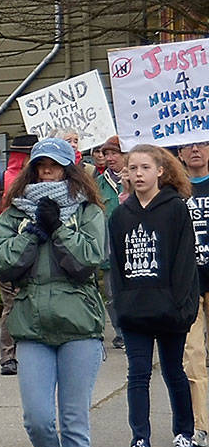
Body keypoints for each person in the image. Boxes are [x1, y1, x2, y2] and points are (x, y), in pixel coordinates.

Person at [0, 137, 107, 447]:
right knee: (37, 418)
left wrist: (58, 230)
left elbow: (90, 260)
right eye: (40, 165)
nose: (47, 171)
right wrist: (32, 232)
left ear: (69, 168)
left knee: (74, 420)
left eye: (54, 165)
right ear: (32, 169)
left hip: (79, 326)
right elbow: (2, 264)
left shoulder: (88, 210)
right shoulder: (15, 212)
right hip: (32, 324)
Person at [108, 144, 199, 447]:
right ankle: (139, 440)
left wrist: (181, 306)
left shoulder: (175, 209)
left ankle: (183, 433)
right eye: (133, 169)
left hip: (171, 309)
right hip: (135, 309)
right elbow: (116, 266)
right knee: (138, 374)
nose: (139, 174)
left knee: (174, 370)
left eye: (145, 168)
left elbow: (185, 261)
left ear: (160, 171)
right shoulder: (120, 216)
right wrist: (120, 307)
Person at [0, 133, 37, 374]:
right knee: (14, 302)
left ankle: (12, 355)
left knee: (13, 304)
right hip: (11, 250)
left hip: (12, 249)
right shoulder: (0, 183)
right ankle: (12, 355)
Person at [179, 140, 209, 447]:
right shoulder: (175, 191)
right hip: (189, 283)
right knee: (193, 355)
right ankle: (200, 424)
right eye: (188, 146)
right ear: (179, 154)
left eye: (202, 144)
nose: (196, 151)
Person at [92, 135, 126, 348]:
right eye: (107, 154)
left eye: (115, 153)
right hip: (108, 248)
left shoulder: (136, 178)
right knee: (112, 294)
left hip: (134, 246)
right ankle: (121, 332)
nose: (110, 158)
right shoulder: (98, 184)